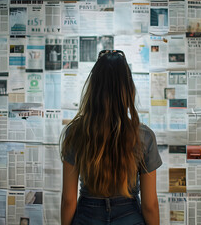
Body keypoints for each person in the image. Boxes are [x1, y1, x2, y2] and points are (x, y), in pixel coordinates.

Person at [61, 50, 162, 225]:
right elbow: (150, 205)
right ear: (128, 89)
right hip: (129, 216)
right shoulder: (144, 136)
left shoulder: (75, 132)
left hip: (87, 216)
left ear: (93, 87)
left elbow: (68, 200)